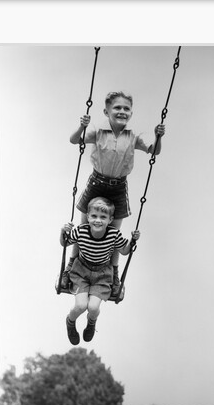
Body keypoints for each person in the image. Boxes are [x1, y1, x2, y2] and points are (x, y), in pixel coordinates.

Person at [64, 90, 165, 297]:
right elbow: (75, 140)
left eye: (126, 108)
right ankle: (70, 268)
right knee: (84, 228)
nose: (122, 111)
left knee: (113, 235)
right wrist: (82, 126)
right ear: (107, 111)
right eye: (117, 108)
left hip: (119, 186)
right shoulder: (98, 132)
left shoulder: (133, 136)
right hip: (97, 183)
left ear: (131, 113)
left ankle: (114, 275)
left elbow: (153, 151)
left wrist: (158, 136)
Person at [60, 197, 140, 345]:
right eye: (94, 216)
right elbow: (64, 243)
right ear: (88, 217)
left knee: (93, 307)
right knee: (80, 306)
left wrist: (133, 241)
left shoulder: (113, 235)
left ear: (110, 220)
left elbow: (124, 251)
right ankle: (70, 322)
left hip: (102, 275)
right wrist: (63, 231)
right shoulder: (80, 231)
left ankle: (91, 323)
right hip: (81, 271)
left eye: (103, 217)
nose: (98, 220)